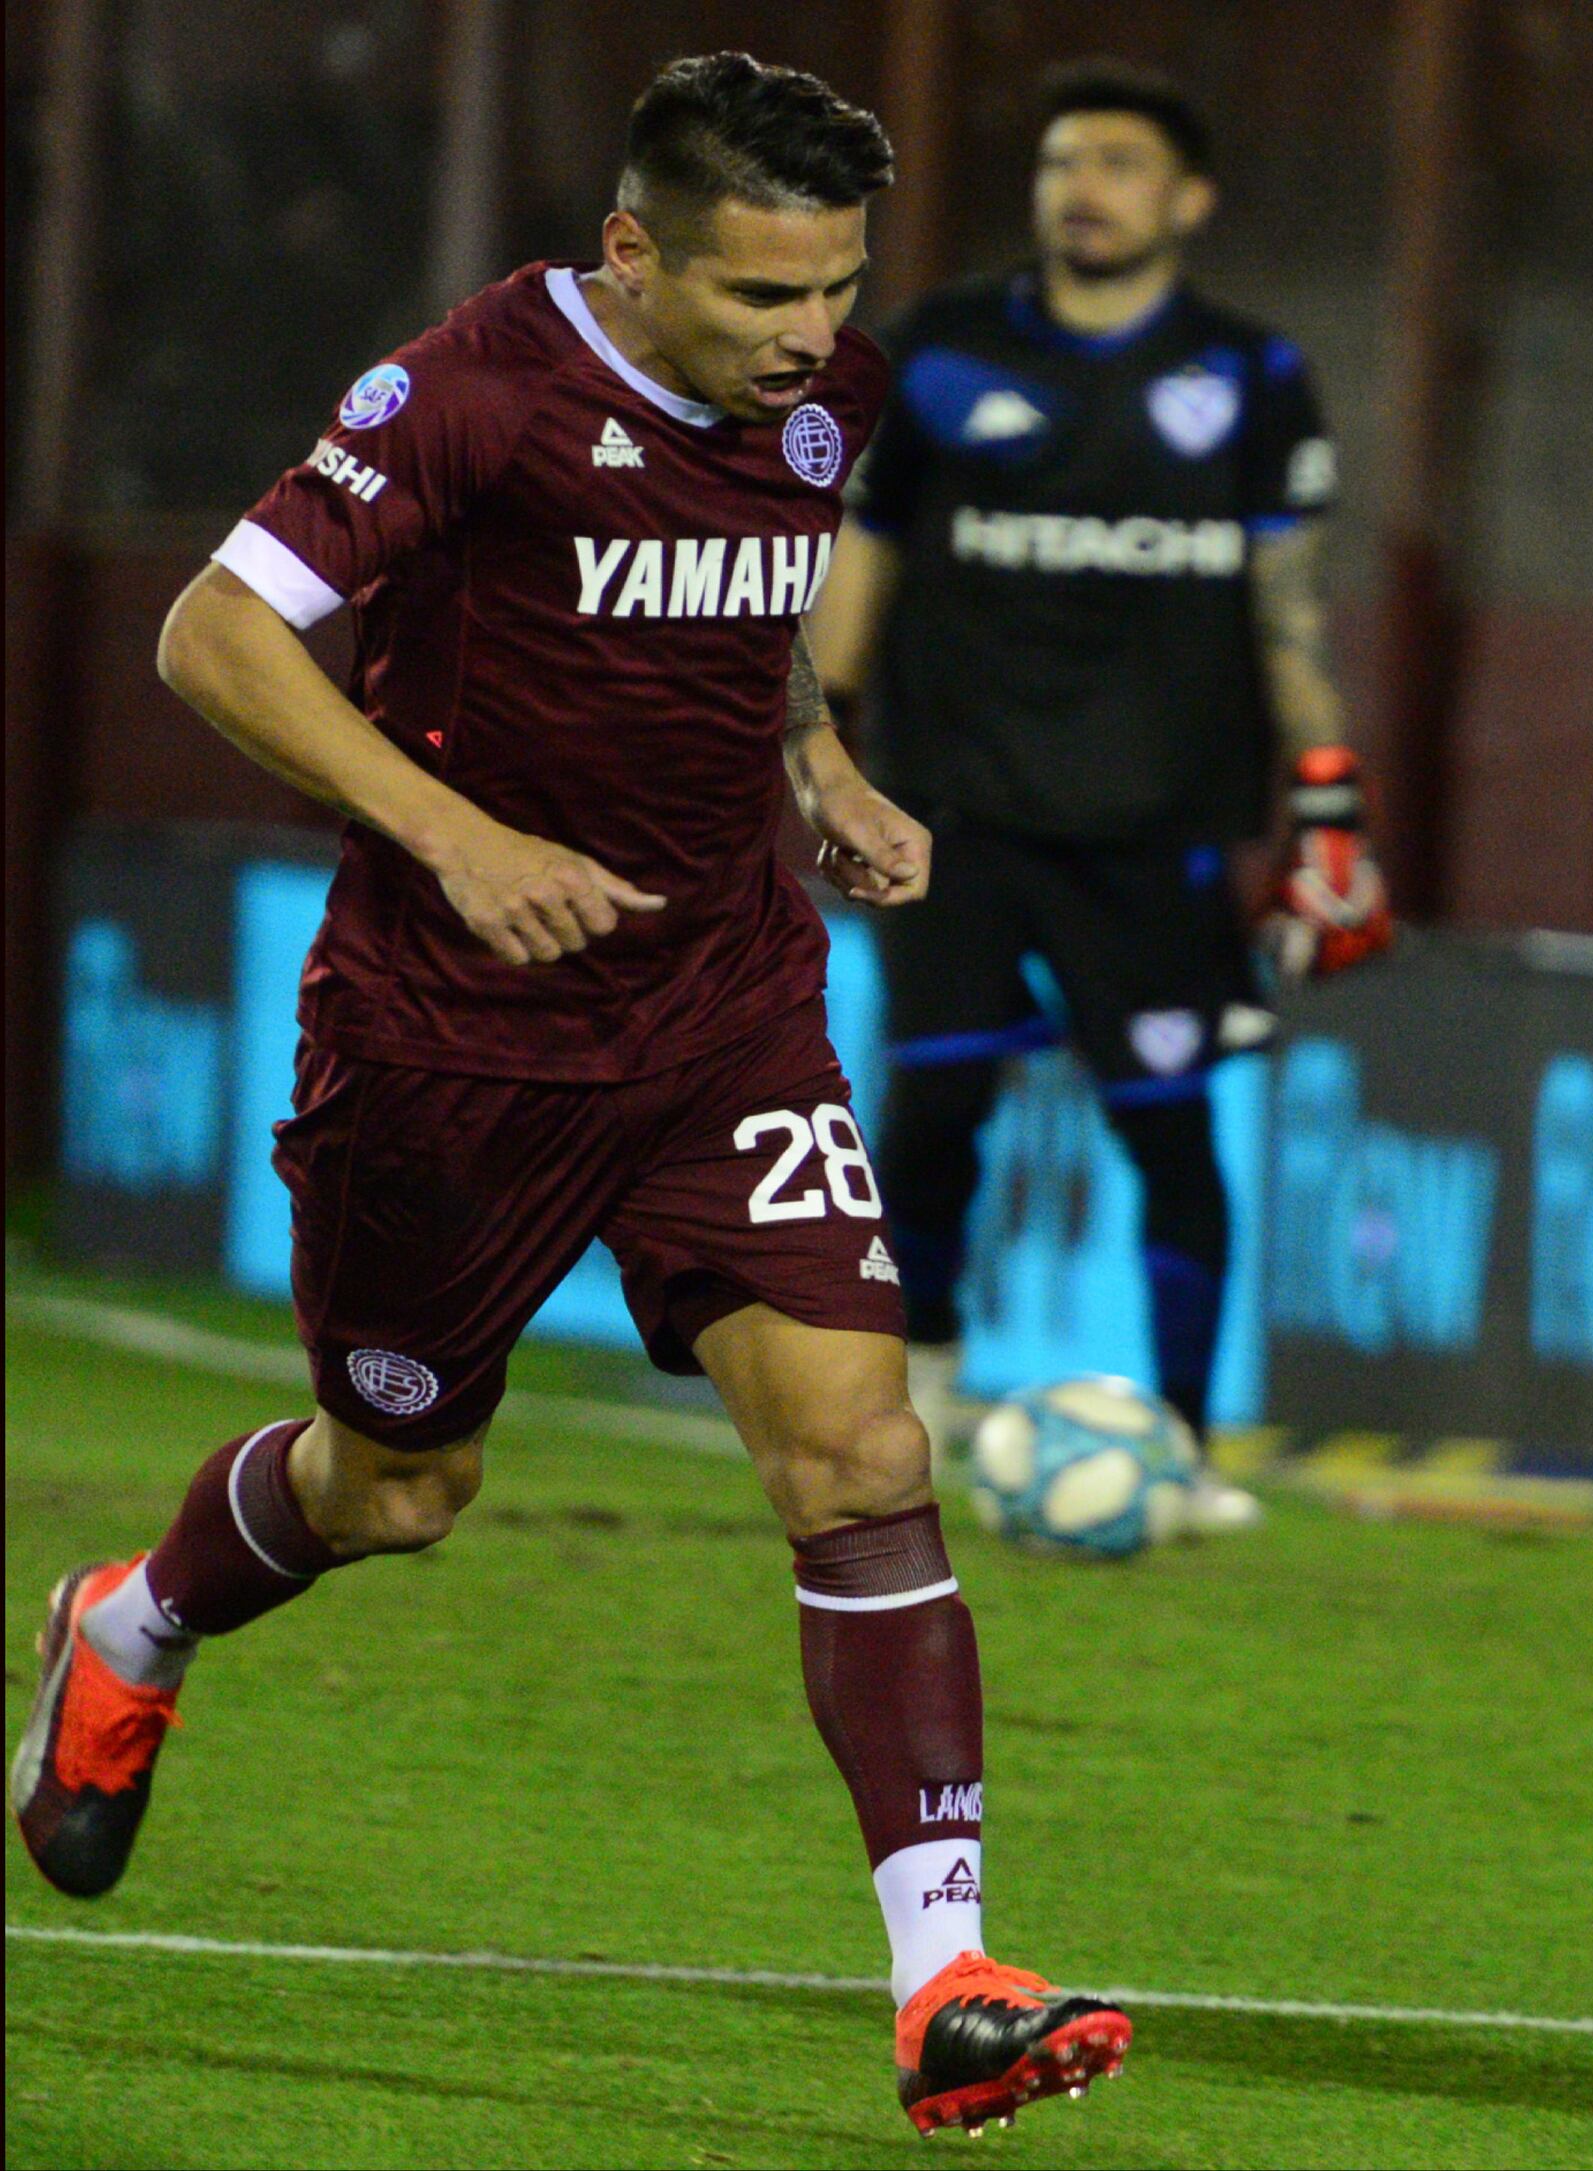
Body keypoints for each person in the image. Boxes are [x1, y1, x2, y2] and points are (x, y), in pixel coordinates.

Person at [10, 54, 1131, 2138]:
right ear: (632, 253)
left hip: (723, 1017)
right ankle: (134, 1617)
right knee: (400, 1492)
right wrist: (454, 836)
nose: (812, 337)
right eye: (761, 298)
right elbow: (211, 640)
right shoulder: (470, 395)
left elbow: (761, 610)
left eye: (838, 290)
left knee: (862, 1449)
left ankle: (945, 1975)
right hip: (448, 1047)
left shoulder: (824, 400)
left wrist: (821, 769)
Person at [804, 59, 1384, 1511]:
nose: (1085, 187)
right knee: (932, 1123)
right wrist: (819, 758)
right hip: (952, 818)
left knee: (1170, 1135)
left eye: (1122, 163)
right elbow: (851, 582)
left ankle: (1179, 1449)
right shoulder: (934, 351)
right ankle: (913, 1409)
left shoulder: (1251, 377)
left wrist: (1328, 804)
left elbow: (1288, 612)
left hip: (1157, 832)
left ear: (1187, 200)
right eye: (1064, 161)